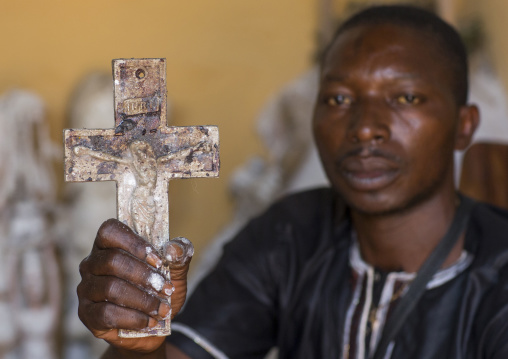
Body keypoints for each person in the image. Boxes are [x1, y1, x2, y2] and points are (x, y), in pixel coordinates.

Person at [77, 5, 508, 358]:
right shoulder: (292, 234)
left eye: (406, 98)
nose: (364, 128)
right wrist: (137, 343)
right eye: (339, 99)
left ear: (464, 126)